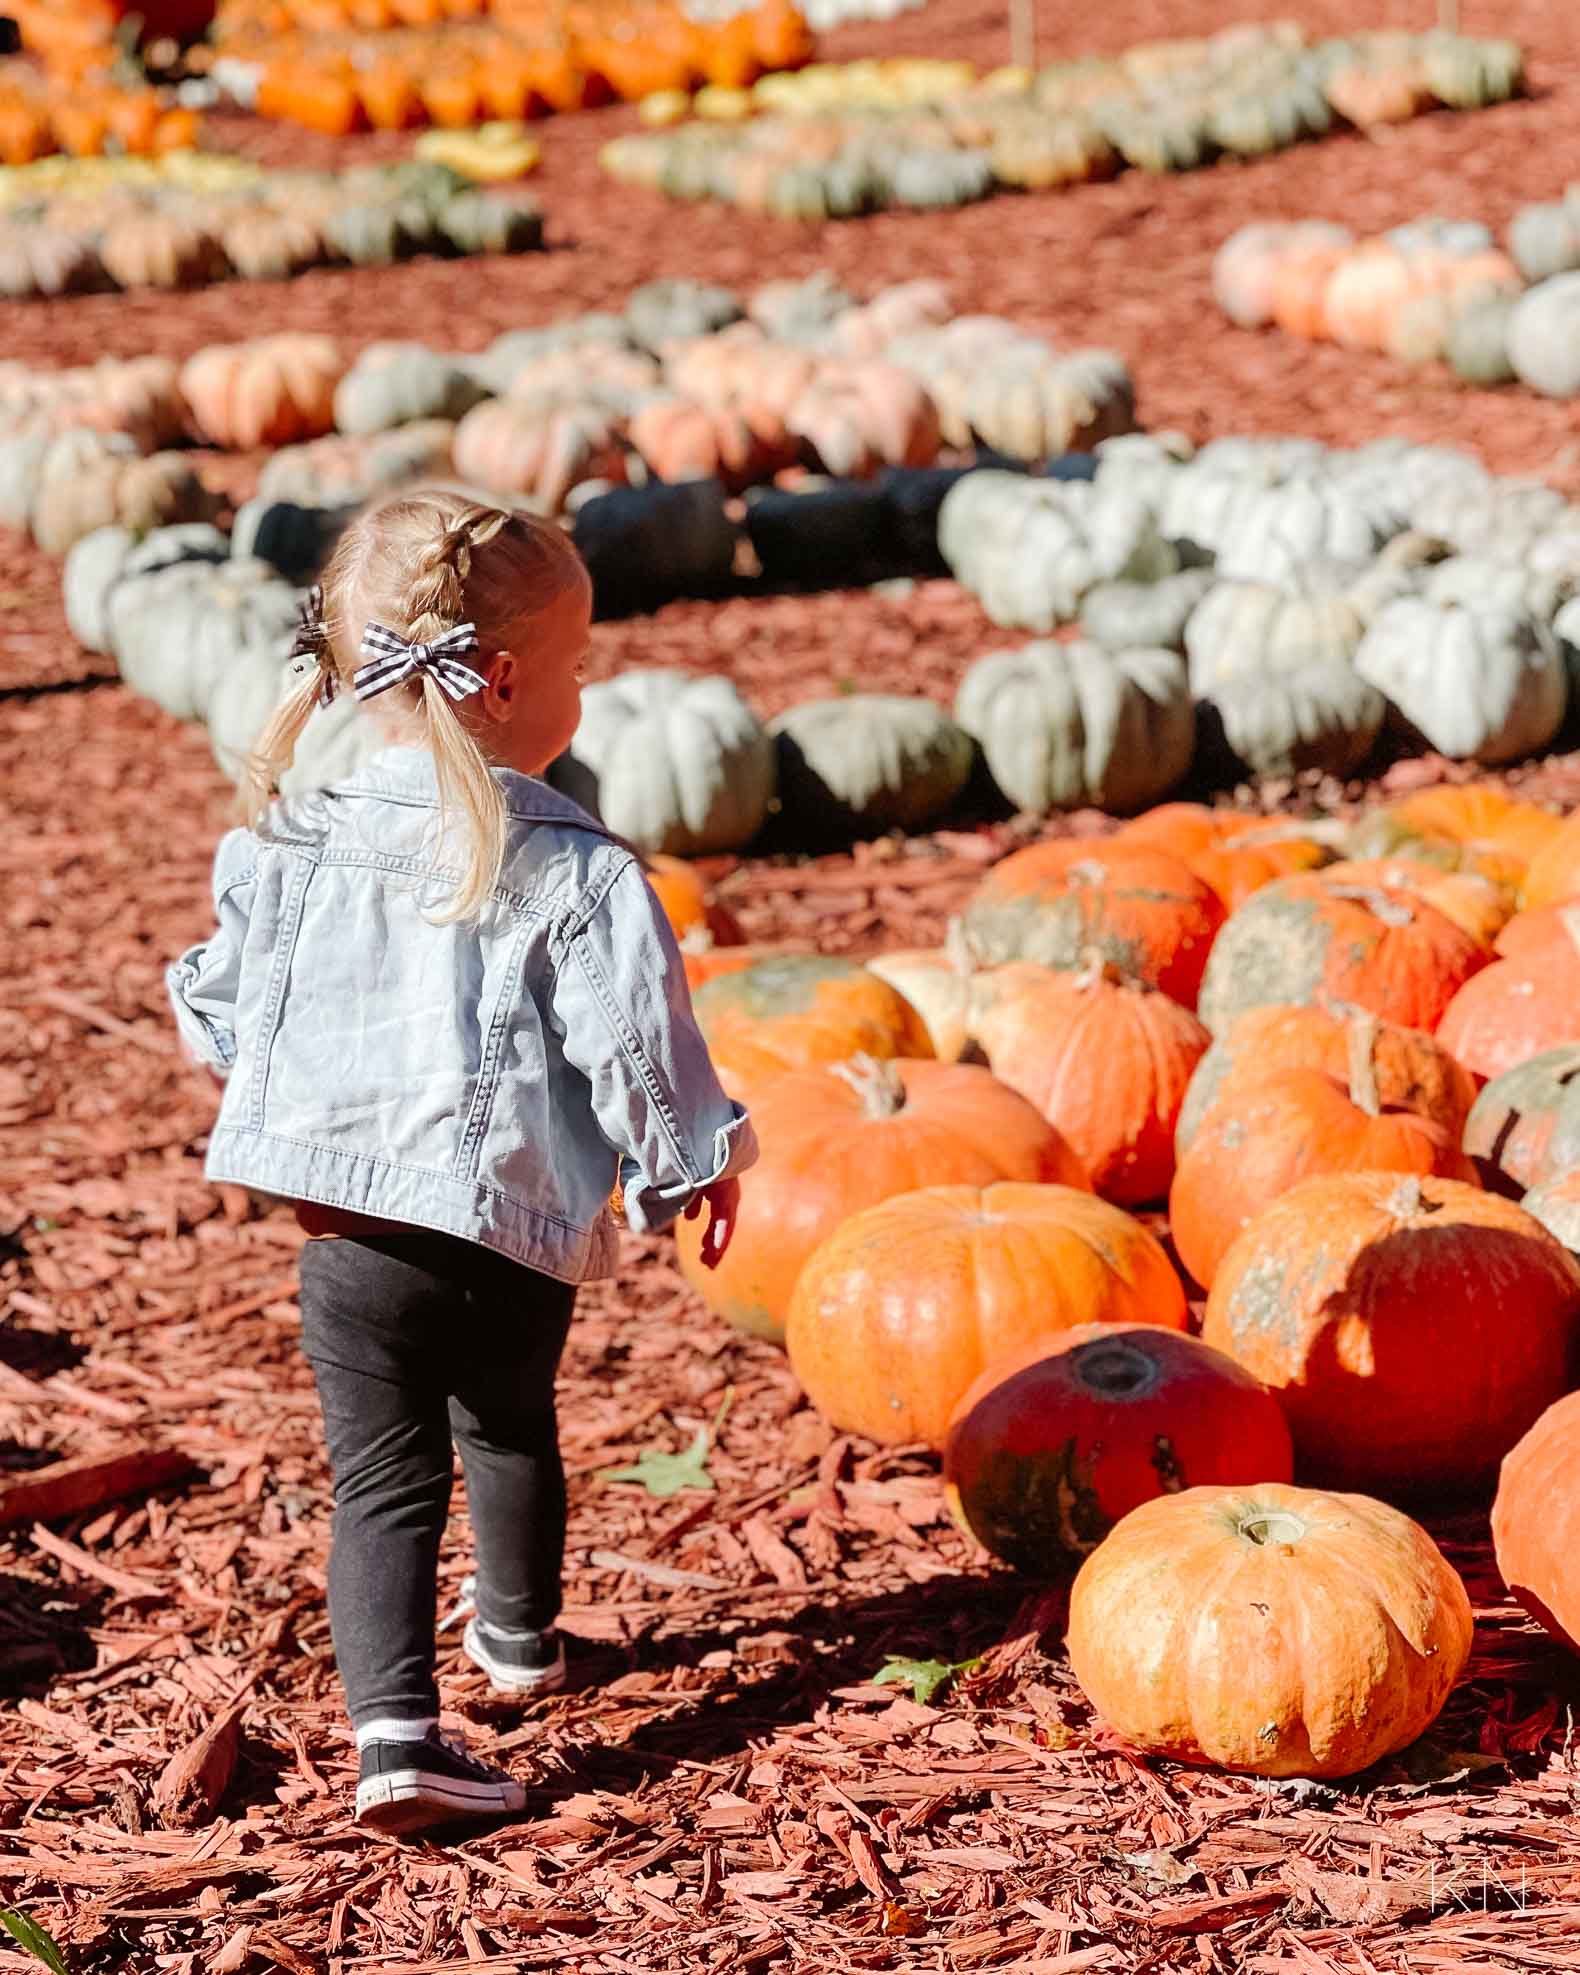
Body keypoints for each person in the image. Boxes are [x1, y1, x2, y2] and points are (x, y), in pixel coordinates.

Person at [167, 488, 755, 1836]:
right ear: (502, 680)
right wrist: (691, 1165)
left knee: (377, 1483)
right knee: (506, 1428)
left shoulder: (288, 840)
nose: (585, 692)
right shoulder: (573, 866)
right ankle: (520, 1642)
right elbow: (636, 1049)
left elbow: (222, 1004)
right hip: (502, 1236)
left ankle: (396, 1740)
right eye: (579, 666)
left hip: (344, 1245)